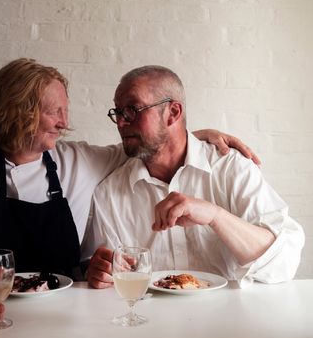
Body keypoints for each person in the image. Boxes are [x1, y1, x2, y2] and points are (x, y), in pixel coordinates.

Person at [0, 58, 258, 324]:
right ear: (17, 112)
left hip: (66, 319)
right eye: (54, 111)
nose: (64, 122)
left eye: (65, 110)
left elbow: (149, 144)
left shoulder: (76, 160)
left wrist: (195, 134)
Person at [85, 65, 304, 289]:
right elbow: (112, 288)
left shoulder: (231, 168)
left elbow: (283, 263)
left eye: (132, 109)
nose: (121, 122)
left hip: (231, 320)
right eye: (118, 112)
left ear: (173, 113)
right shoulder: (109, 194)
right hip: (150, 321)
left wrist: (215, 216)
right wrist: (102, 273)